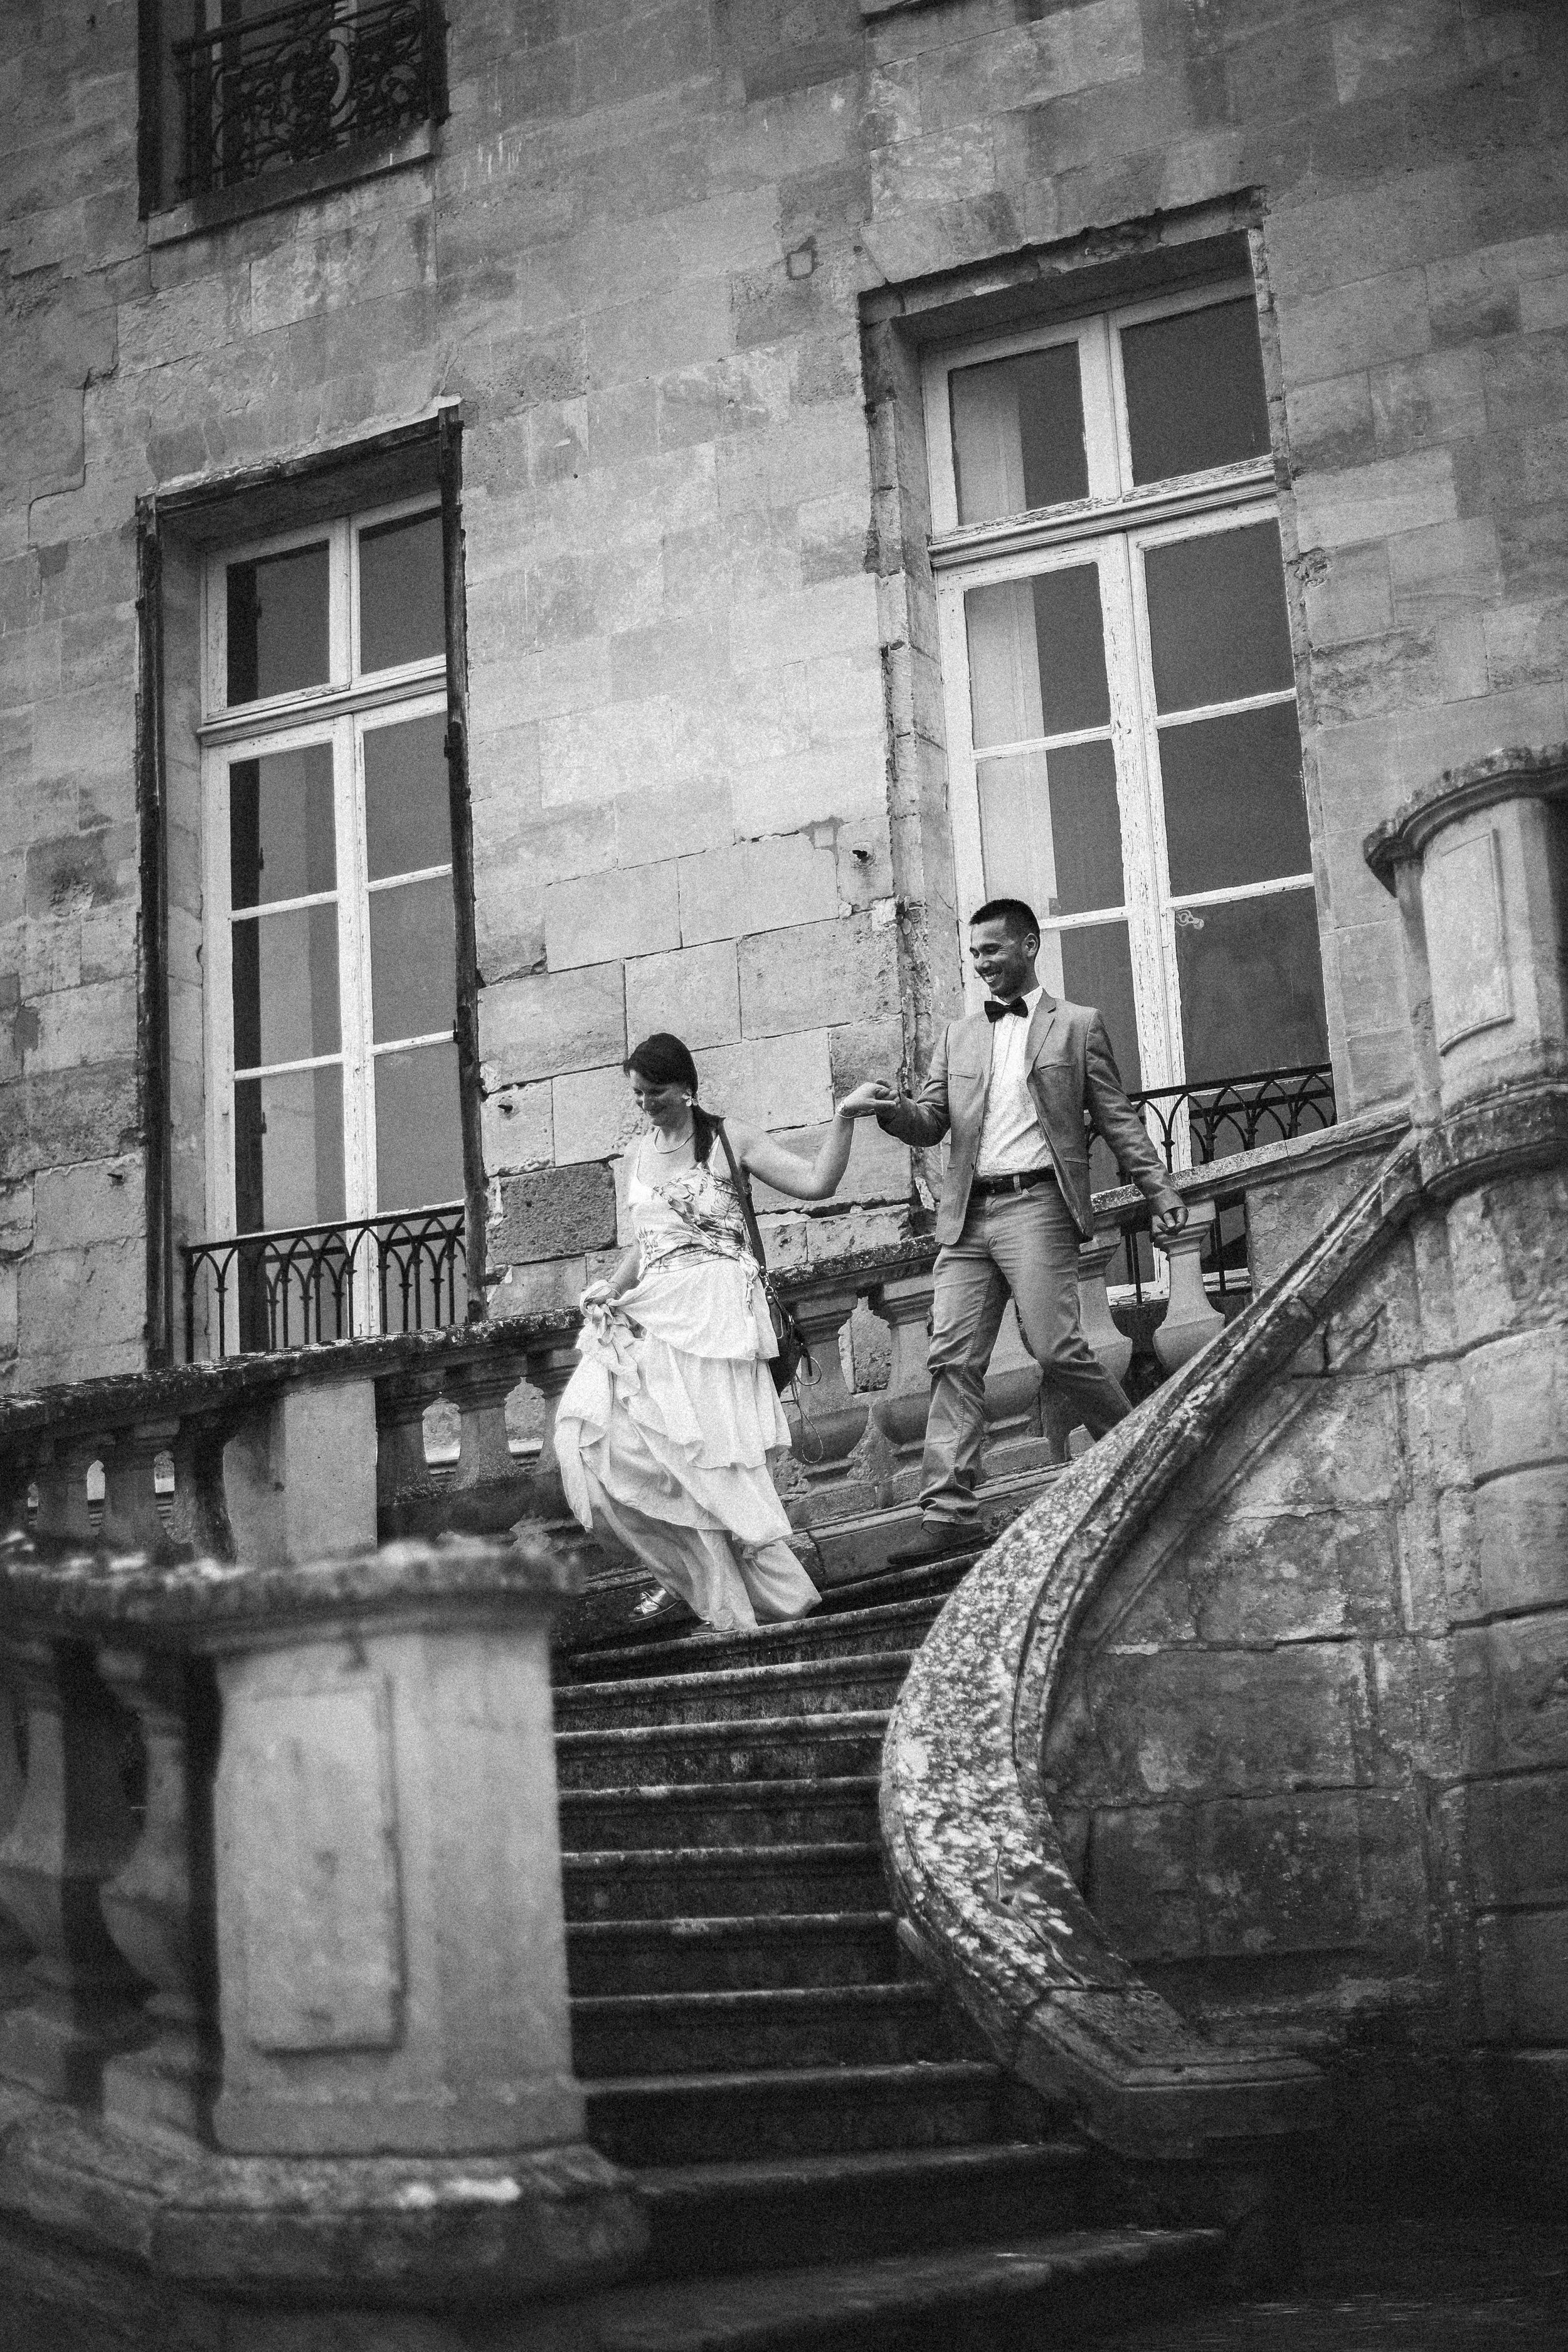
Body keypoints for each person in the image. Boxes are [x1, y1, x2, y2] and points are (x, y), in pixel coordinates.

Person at [863, 898, 1187, 1565]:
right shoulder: (958, 1036)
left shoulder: (1077, 1026)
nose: (980, 964)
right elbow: (930, 1121)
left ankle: (1137, 1461)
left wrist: (1159, 1190)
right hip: (966, 1218)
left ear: (1028, 945)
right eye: (974, 953)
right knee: (952, 1360)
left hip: (1038, 1206)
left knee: (1056, 1349)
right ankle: (948, 1511)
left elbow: (1118, 1119)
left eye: (991, 950)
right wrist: (892, 1109)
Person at [553, 1033, 887, 1633]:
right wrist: (611, 1287)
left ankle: (762, 1597)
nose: (647, 1106)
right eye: (638, 1096)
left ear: (686, 1087)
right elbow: (646, 1243)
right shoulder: (637, 1155)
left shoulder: (731, 1138)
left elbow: (817, 1184)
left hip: (717, 1316)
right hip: (655, 1310)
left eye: (655, 1093)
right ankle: (697, 1581)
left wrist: (844, 1117)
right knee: (599, 1437)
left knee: (714, 1462)